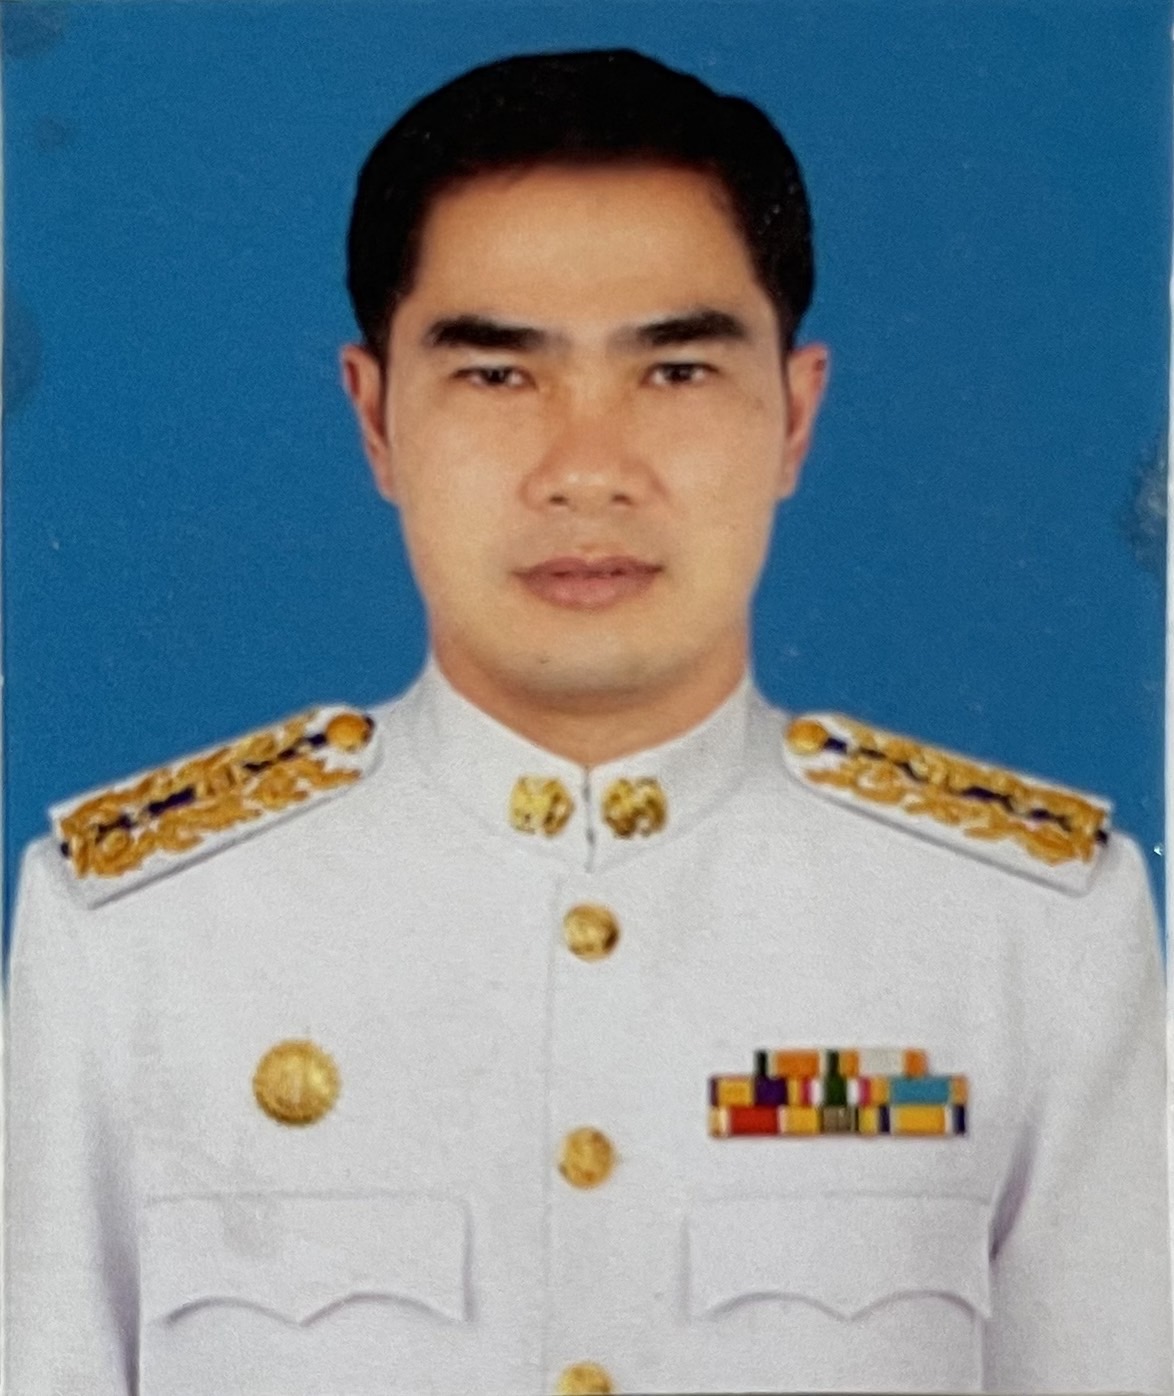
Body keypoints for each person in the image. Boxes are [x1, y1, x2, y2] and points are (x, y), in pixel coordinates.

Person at [5, 47, 1170, 1396]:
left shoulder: (1028, 937)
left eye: (674, 372)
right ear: (374, 418)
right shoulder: (134, 940)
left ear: (795, 416)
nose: (587, 473)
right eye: (498, 377)